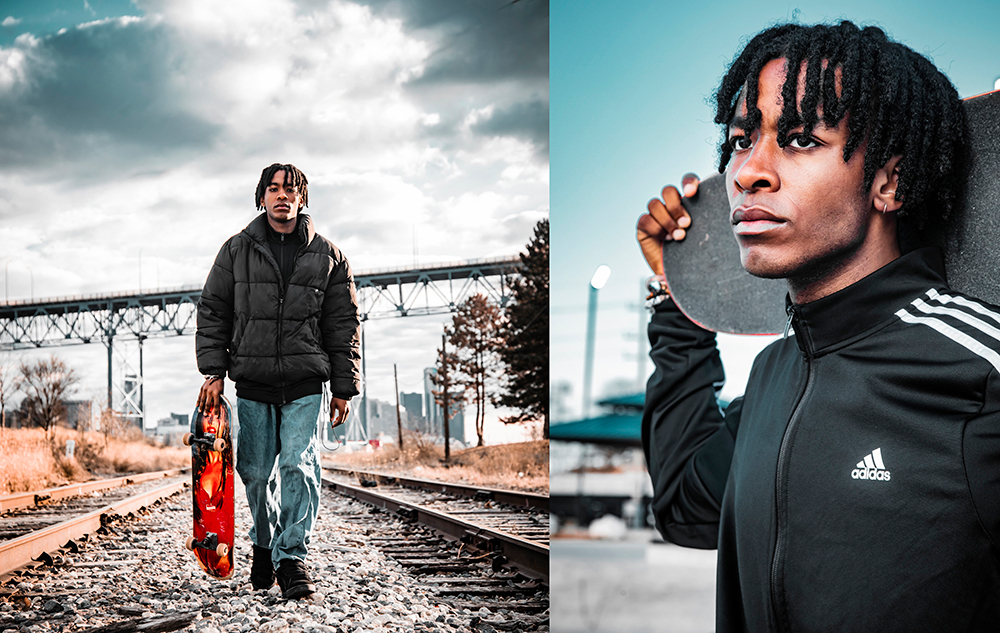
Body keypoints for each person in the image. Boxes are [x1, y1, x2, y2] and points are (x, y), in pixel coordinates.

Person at [636, 21, 1000, 631]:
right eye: (741, 139)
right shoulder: (778, 376)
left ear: (891, 181)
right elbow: (684, 509)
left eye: (801, 139)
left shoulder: (977, 371)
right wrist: (675, 300)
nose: (750, 169)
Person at [196, 162, 361, 599]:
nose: (281, 196)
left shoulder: (329, 256)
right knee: (253, 473)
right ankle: (265, 544)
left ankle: (292, 557)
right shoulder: (235, 251)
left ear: (301, 198)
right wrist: (214, 371)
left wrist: (343, 388)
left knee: (297, 465)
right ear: (262, 197)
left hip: (306, 381)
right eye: (273, 189)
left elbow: (343, 324)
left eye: (290, 189)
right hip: (252, 381)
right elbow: (213, 309)